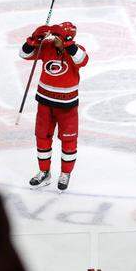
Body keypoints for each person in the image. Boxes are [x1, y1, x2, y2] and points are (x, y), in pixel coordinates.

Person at [19, 22, 88, 191]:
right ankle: (44, 172)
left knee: (68, 140)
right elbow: (23, 54)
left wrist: (67, 43)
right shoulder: (47, 46)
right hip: (45, 102)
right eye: (55, 35)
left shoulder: (76, 50)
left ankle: (65, 173)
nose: (54, 39)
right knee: (42, 137)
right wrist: (34, 39)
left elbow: (82, 60)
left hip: (67, 105)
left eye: (59, 36)